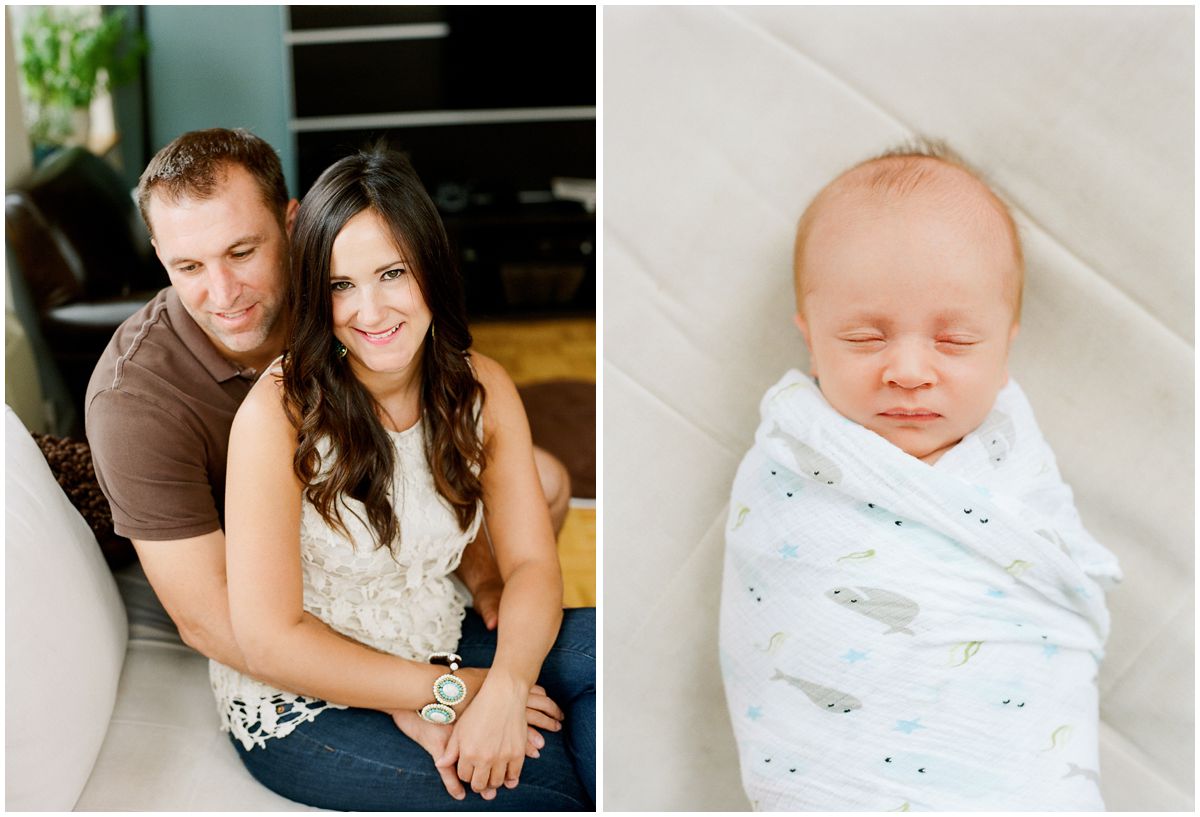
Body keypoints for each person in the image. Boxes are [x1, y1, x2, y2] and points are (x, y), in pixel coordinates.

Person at [85, 129, 592, 808]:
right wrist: (430, 692)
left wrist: (489, 614)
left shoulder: (350, 304)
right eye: (189, 266)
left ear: (294, 229)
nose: (224, 291)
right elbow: (227, 625)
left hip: (417, 611)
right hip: (306, 669)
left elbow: (473, 502)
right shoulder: (148, 400)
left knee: (604, 664)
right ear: (160, 259)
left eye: (242, 251)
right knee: (543, 774)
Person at [719, 142, 1121, 810]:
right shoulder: (792, 461)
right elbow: (776, 606)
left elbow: (1058, 591)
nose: (907, 370)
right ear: (810, 335)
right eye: (865, 338)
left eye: (956, 340)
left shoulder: (1014, 463)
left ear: (1007, 339)